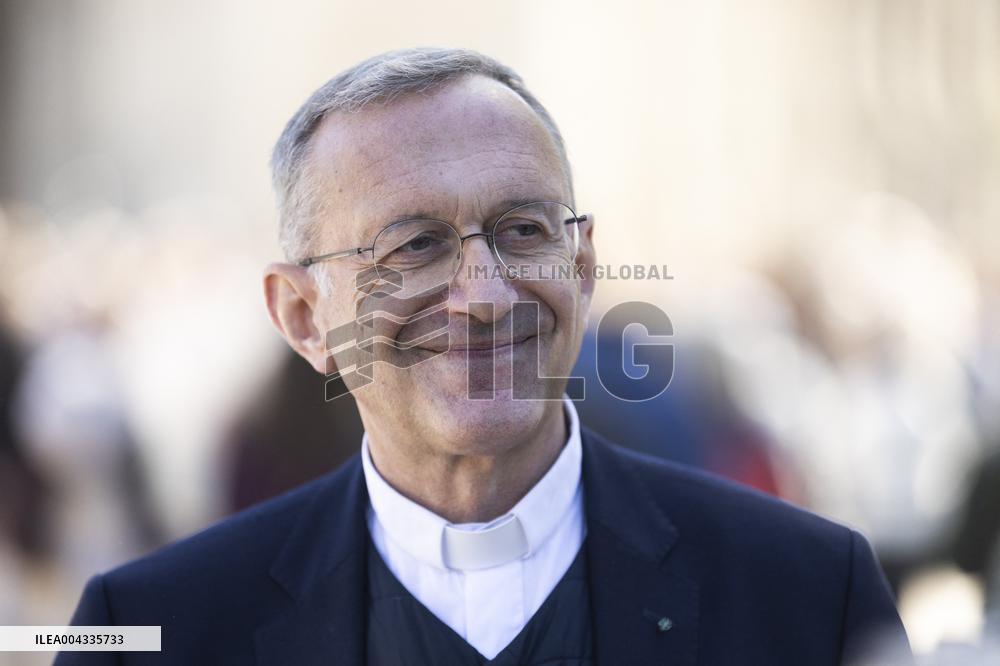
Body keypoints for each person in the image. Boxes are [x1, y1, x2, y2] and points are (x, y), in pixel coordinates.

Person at [58, 47, 911, 665]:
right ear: (304, 317)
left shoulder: (808, 594)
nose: (487, 293)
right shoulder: (151, 632)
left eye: (524, 231)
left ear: (580, 269)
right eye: (416, 245)